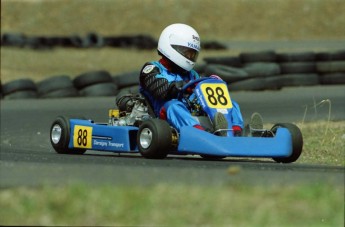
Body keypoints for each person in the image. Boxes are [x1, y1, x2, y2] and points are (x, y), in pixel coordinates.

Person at [139, 23, 244, 136]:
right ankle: (197, 133)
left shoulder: (191, 74)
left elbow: (200, 93)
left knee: (230, 104)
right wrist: (184, 86)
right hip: (163, 116)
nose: (190, 57)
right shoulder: (151, 69)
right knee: (174, 105)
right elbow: (161, 90)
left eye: (192, 54)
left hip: (190, 112)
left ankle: (234, 130)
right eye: (186, 53)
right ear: (170, 48)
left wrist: (211, 84)